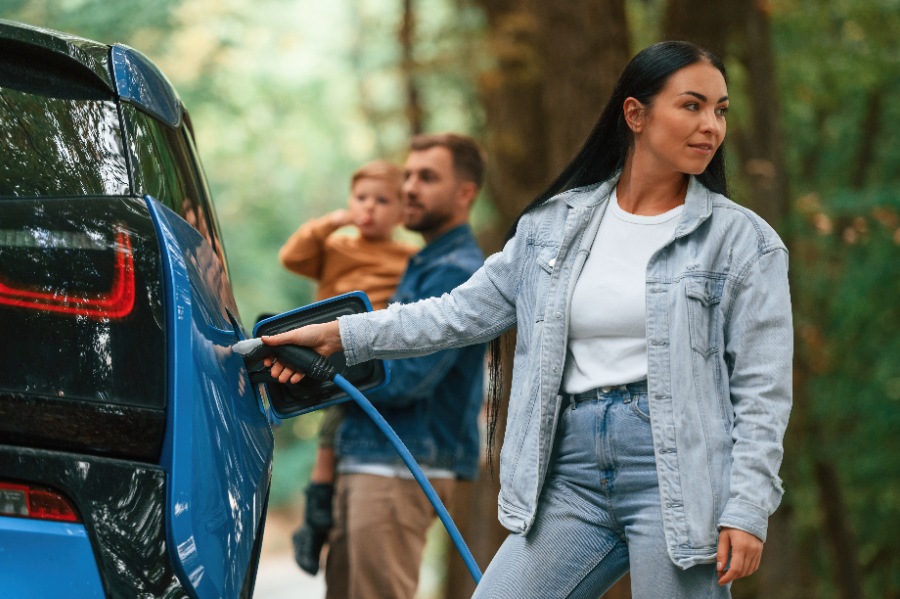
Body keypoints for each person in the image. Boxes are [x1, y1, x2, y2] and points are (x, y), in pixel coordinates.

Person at [265, 41, 793, 599]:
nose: (711, 125)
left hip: (680, 476)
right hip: (568, 473)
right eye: (692, 106)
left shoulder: (744, 244)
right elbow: (456, 314)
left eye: (721, 110)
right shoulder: (554, 225)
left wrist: (747, 506)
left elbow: (763, 388)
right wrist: (342, 334)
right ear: (635, 114)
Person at [281, 133, 487, 598]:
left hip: (400, 464)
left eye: (427, 177)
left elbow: (407, 378)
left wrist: (318, 366)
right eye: (409, 175)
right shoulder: (420, 263)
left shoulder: (455, 271)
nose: (411, 187)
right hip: (367, 455)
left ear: (465, 193)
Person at [278, 159, 418, 575]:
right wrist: (332, 222)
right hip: (330, 346)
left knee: (349, 420)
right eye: (361, 199)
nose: (369, 208)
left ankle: (318, 518)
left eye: (382, 201)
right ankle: (316, 519)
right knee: (333, 424)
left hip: (376, 348)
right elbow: (292, 257)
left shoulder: (410, 255)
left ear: (401, 212)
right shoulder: (338, 245)